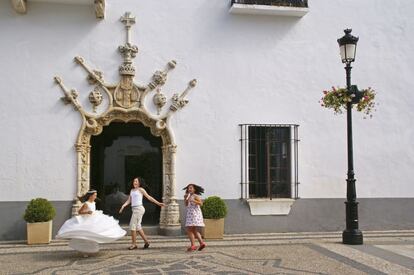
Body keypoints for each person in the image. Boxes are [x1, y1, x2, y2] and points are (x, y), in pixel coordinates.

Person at [56, 190, 126, 255]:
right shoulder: (86, 204)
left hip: (93, 218)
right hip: (87, 220)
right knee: (86, 236)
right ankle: (84, 250)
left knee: (92, 235)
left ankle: (89, 249)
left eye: (96, 195)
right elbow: (80, 212)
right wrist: (87, 212)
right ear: (91, 196)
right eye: (95, 195)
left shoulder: (93, 203)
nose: (96, 196)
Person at [119, 177, 165, 250]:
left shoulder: (141, 189)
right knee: (138, 227)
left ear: (139, 183)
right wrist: (123, 206)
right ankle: (146, 242)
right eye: (134, 181)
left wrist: (158, 203)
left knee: (132, 226)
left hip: (139, 209)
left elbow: (149, 197)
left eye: (136, 181)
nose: (135, 182)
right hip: (134, 209)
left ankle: (134, 244)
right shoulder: (132, 190)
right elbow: (129, 200)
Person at [183, 183, 206, 252]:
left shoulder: (195, 196)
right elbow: (186, 205)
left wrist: (193, 200)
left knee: (189, 230)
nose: (189, 189)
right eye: (188, 188)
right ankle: (202, 243)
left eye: (191, 188)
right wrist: (186, 199)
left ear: (194, 189)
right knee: (194, 230)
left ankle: (193, 245)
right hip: (190, 214)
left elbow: (201, 203)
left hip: (194, 215)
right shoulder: (188, 196)